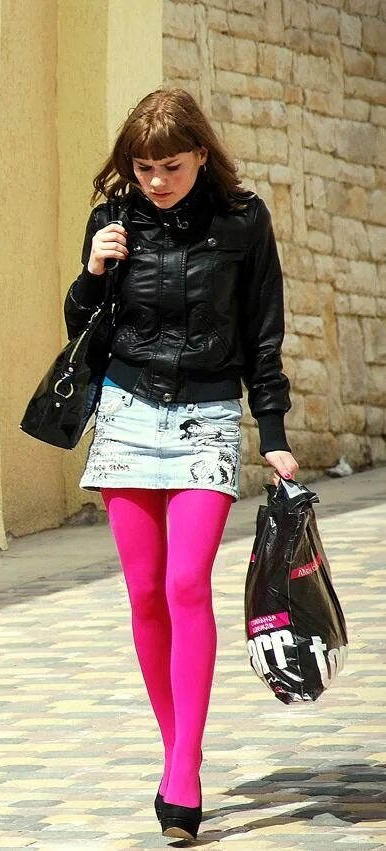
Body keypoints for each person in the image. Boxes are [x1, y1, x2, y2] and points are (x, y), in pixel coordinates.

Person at [64, 89, 299, 841]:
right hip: (127, 412)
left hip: (205, 414)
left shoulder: (243, 221)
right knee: (143, 593)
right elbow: (81, 327)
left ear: (200, 154)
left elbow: (263, 333)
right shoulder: (113, 220)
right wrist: (92, 271)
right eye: (143, 168)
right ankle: (176, 754)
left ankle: (184, 768)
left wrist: (272, 431)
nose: (156, 181)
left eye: (170, 165)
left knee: (186, 582)